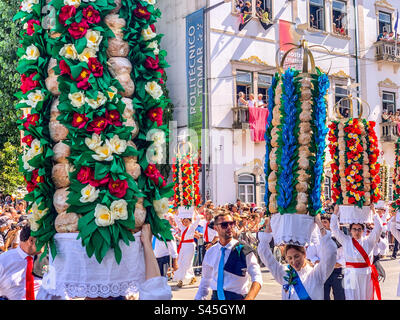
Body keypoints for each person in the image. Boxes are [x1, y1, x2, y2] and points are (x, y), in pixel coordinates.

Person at [257, 215, 337, 300]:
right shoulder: (284, 273)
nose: (294, 261)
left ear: (304, 254)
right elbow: (263, 253)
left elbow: (331, 253)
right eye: (290, 258)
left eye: (297, 256)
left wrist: (319, 224)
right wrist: (269, 226)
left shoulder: (317, 274)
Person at [195, 211, 262, 300]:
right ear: (216, 228)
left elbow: (257, 277)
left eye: (232, 224)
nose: (229, 227)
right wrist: (198, 298)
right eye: (224, 225)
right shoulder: (211, 252)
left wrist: (249, 298)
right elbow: (205, 281)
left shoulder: (244, 250)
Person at [331, 204, 383, 300]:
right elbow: (334, 228)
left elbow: (379, 228)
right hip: (350, 274)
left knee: (366, 297)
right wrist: (335, 213)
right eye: (354, 229)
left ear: (363, 230)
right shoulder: (346, 241)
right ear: (350, 230)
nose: (357, 232)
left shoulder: (369, 241)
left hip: (366, 274)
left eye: (359, 229)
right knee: (351, 297)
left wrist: (374, 212)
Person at [0, 224, 41, 300]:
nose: (48, 244)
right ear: (31, 240)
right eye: (44, 240)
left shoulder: (47, 259)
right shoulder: (3, 261)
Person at [173, 208, 201, 288]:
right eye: (184, 221)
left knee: (187, 263)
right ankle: (190, 277)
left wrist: (195, 211)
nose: (185, 223)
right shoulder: (181, 227)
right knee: (180, 262)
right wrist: (177, 212)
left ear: (190, 221)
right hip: (183, 246)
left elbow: (198, 219)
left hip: (190, 246)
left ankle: (182, 280)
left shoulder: (192, 227)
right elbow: (176, 219)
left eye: (187, 221)